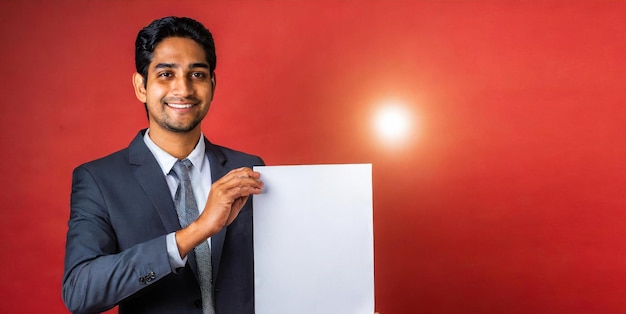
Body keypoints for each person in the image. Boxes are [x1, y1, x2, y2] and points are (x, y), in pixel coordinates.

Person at [62, 16, 264, 313]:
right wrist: (195, 232)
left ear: (212, 84)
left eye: (197, 74)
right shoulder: (99, 180)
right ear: (141, 86)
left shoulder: (249, 168)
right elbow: (81, 291)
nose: (182, 90)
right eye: (166, 74)